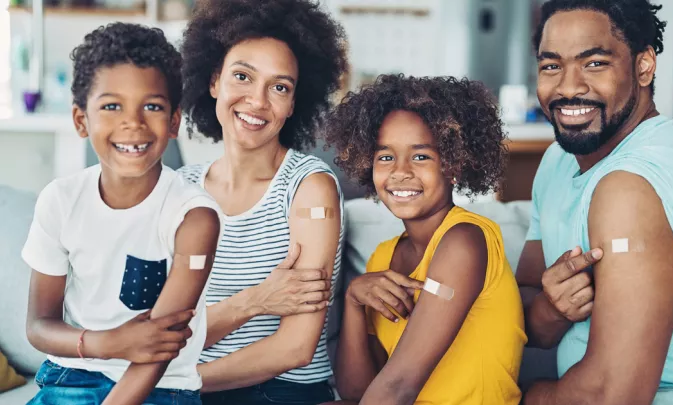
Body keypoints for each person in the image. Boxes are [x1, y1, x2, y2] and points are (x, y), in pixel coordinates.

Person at [515, 1, 673, 404]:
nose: (568, 87)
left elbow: (611, 396)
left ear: (644, 66)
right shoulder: (559, 161)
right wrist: (551, 311)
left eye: (594, 63)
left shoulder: (629, 187)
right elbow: (523, 298)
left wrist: (517, 398)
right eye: (551, 66)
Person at [23, 23, 222, 404]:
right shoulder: (59, 201)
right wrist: (109, 343)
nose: (133, 123)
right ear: (82, 120)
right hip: (72, 374)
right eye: (112, 106)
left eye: (152, 106)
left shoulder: (194, 218)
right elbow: (38, 326)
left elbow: (161, 349)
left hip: (160, 388)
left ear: (175, 121)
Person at [177, 0, 348, 403]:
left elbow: (295, 348)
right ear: (214, 81)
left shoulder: (310, 188)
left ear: (293, 105)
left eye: (280, 87)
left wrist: (178, 380)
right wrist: (256, 300)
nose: (257, 101)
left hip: (281, 391)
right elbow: (159, 334)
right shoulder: (179, 189)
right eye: (242, 77)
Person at [322, 74, 526, 405]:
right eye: (385, 156)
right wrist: (353, 302)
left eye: (420, 156)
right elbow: (357, 392)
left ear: (453, 164)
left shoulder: (465, 241)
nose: (400, 171)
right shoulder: (382, 257)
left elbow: (399, 385)